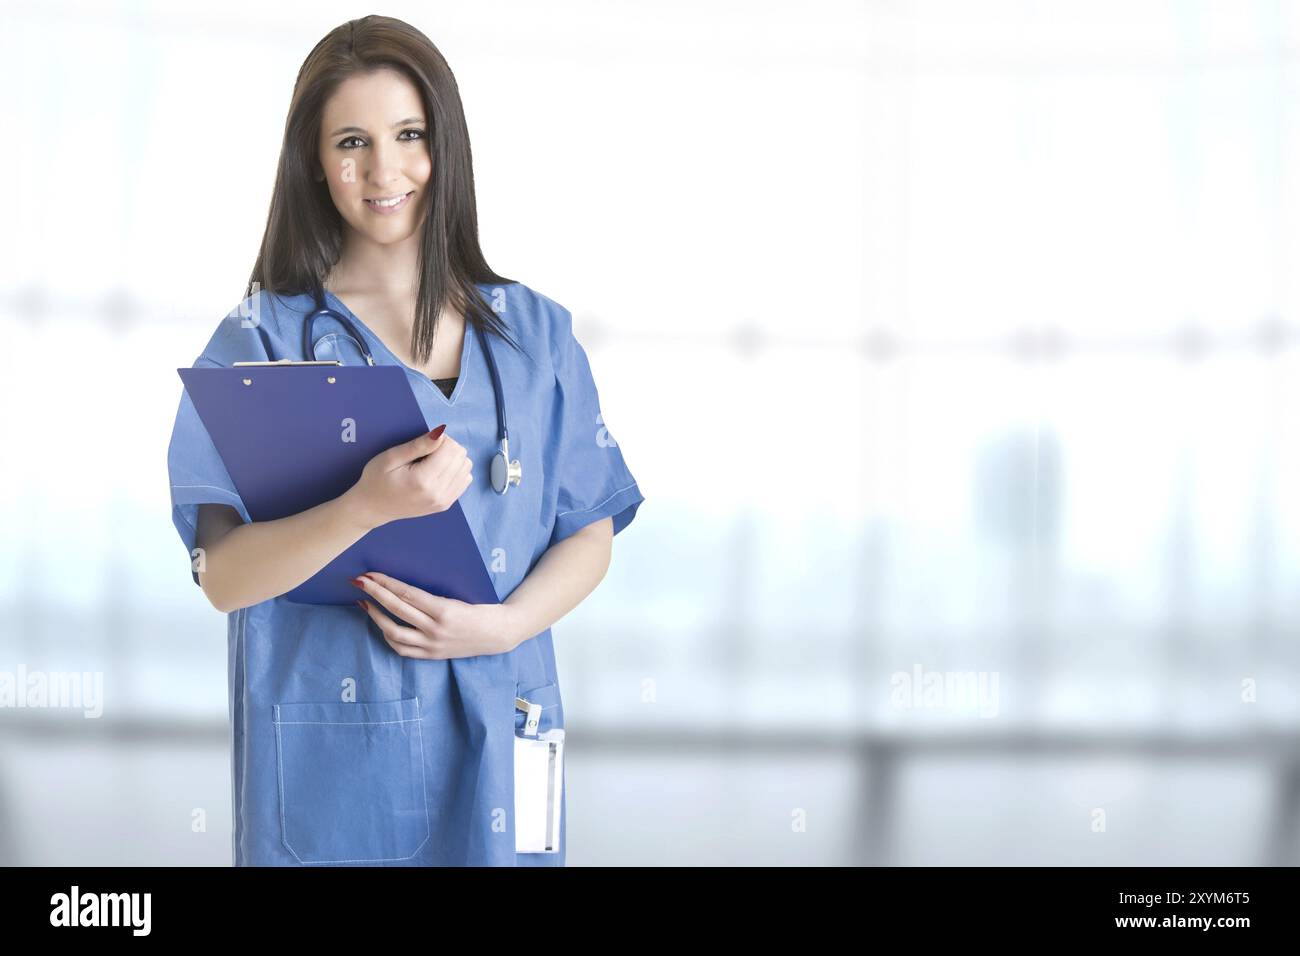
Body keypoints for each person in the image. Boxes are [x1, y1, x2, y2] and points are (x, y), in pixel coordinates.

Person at [165, 15, 643, 866]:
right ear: (313, 160)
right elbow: (222, 577)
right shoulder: (262, 342)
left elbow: (590, 529)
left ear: (444, 146)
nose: (383, 171)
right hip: (339, 767)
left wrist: (502, 628)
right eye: (351, 141)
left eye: (408, 135)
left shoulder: (536, 334)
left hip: (511, 718)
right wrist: (363, 507)